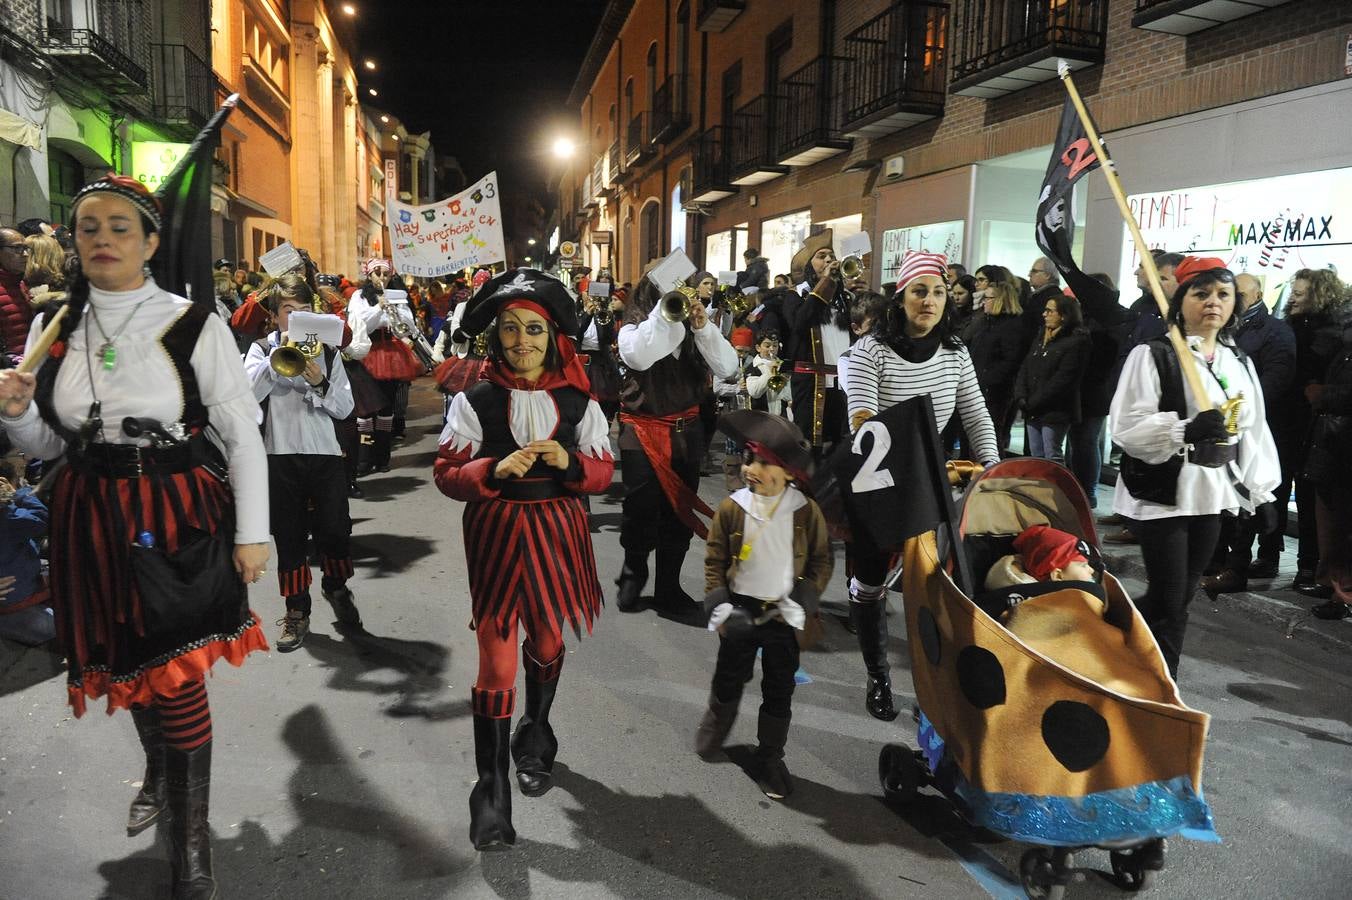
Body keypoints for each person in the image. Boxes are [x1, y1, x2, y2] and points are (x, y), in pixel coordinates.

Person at [0, 174, 269, 898]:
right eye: (88, 227)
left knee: (176, 670)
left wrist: (254, 534)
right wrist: (19, 412)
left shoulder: (191, 323)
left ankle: (192, 847)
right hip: (87, 512)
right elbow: (48, 446)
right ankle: (158, 772)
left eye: (120, 226)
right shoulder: (51, 325)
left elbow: (242, 434)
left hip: (174, 507)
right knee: (127, 657)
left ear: (150, 242)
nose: (102, 239)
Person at [433, 268, 615, 850]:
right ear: (496, 336)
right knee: (496, 659)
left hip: (558, 531)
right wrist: (489, 470)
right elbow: (445, 474)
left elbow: (603, 473)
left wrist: (568, 463)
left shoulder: (579, 404)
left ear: (553, 336)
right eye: (510, 329)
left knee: (548, 640)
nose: (522, 342)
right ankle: (490, 792)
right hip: (495, 533)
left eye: (533, 329)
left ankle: (536, 734)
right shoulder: (474, 400)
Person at [845, 251, 999, 720]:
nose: (928, 301)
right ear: (901, 296)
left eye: (937, 292)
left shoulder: (956, 351)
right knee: (869, 582)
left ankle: (935, 686)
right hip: (877, 477)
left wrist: (992, 469)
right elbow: (862, 419)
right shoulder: (869, 350)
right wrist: (906, 458)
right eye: (918, 291)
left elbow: (975, 413)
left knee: (932, 583)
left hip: (932, 478)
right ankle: (878, 676)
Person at [1109, 256, 1279, 677]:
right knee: (1168, 598)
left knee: (1180, 598)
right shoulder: (1154, 355)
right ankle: (1135, 663)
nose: (1213, 302)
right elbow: (1126, 427)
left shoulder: (1238, 361)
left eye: (1223, 294)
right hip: (1163, 490)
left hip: (1211, 492)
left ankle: (1143, 664)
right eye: (1201, 293)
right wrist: (1184, 430)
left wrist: (1260, 492)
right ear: (1181, 299)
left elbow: (1253, 430)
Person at [694, 410, 831, 800]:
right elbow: (715, 560)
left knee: (780, 685)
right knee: (729, 674)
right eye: (750, 460)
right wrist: (719, 604)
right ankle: (718, 723)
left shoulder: (806, 513)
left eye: (765, 464)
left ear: (790, 473)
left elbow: (821, 560)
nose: (752, 470)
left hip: (782, 614)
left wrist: (804, 598)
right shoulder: (732, 508)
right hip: (739, 609)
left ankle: (770, 755)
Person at [243, 275, 359, 652]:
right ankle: (296, 610)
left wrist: (320, 382)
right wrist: (278, 363)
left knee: (335, 530)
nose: (295, 318)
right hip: (280, 456)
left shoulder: (328, 352)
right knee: (289, 538)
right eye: (288, 311)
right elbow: (246, 396)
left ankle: (336, 586)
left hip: (323, 454)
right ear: (275, 316)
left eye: (303, 311)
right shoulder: (262, 349)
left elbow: (345, 407)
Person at [615, 271, 739, 614]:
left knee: (679, 509)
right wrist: (665, 313)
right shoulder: (633, 328)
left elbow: (730, 369)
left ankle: (668, 584)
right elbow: (640, 356)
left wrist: (702, 328)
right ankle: (633, 570)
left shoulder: (697, 327)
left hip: (686, 430)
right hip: (642, 429)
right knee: (640, 508)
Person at [1201, 273, 1296, 594]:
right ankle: (1216, 559)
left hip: (1256, 429)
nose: (1229, 300)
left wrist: (1240, 410)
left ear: (1256, 295)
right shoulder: (1225, 331)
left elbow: (1276, 378)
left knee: (1248, 502)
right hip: (1221, 431)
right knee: (1223, 500)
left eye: (1236, 294)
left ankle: (1239, 565)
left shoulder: (1275, 331)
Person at [1283, 267, 1352, 598]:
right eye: (1293, 291)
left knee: (1323, 510)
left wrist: (1320, 395)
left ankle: (1319, 575)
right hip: (1310, 428)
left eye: (1302, 292)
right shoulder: (1292, 329)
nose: (1294, 296)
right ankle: (1323, 578)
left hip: (1329, 432)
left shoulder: (1330, 335)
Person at [775, 230, 850, 456]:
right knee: (811, 447)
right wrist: (825, 282)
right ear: (808, 264)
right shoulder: (794, 295)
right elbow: (800, 323)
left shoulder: (844, 298)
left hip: (843, 383)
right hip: (811, 384)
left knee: (842, 445)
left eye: (831, 255)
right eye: (821, 256)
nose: (828, 260)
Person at [348, 260, 422, 474]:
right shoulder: (358, 296)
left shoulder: (397, 295)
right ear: (369, 275)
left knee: (386, 408)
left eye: (386, 274)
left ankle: (383, 457)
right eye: (377, 273)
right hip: (367, 352)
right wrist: (378, 307)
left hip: (390, 354)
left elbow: (408, 326)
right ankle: (364, 458)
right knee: (365, 408)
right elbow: (359, 324)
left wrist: (395, 311)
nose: (382, 277)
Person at [1015, 292, 1091, 464]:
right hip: (1032, 408)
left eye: (1050, 311)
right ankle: (1039, 490)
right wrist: (1020, 395)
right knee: (1036, 457)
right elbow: (1026, 367)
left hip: (1055, 410)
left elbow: (1064, 379)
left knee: (1052, 456)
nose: (1044, 314)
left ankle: (1057, 490)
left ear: (1064, 315)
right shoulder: (1042, 336)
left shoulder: (1076, 341)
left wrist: (1034, 401)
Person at [964, 264, 1028, 454]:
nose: (984, 302)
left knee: (989, 438)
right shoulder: (985, 322)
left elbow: (1010, 362)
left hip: (994, 394)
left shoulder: (1012, 326)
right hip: (977, 390)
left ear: (1001, 300)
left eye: (989, 298)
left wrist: (985, 381)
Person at [0, 226, 34, 367]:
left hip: (27, 364)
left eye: (26, 248)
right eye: (17, 248)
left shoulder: (20, 284)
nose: (25, 254)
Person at [746, 330, 792, 418]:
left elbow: (788, 396)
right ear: (758, 348)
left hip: (782, 416)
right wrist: (770, 373)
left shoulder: (783, 366)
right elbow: (754, 392)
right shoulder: (753, 367)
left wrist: (786, 384)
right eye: (767, 346)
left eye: (775, 345)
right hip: (761, 418)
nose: (772, 349)